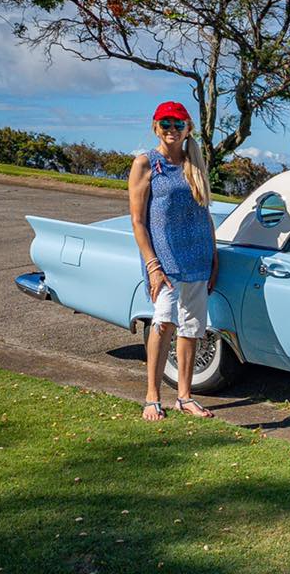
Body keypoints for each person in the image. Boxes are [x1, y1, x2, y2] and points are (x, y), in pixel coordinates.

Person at [128, 101, 218, 421]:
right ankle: (152, 396)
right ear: (155, 126)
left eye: (178, 125)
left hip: (198, 258)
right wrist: (152, 265)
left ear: (188, 129)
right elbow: (138, 221)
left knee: (192, 327)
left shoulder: (195, 164)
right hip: (164, 261)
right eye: (166, 124)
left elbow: (205, 214)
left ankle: (184, 395)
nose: (172, 130)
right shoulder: (146, 164)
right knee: (163, 322)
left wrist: (214, 256)